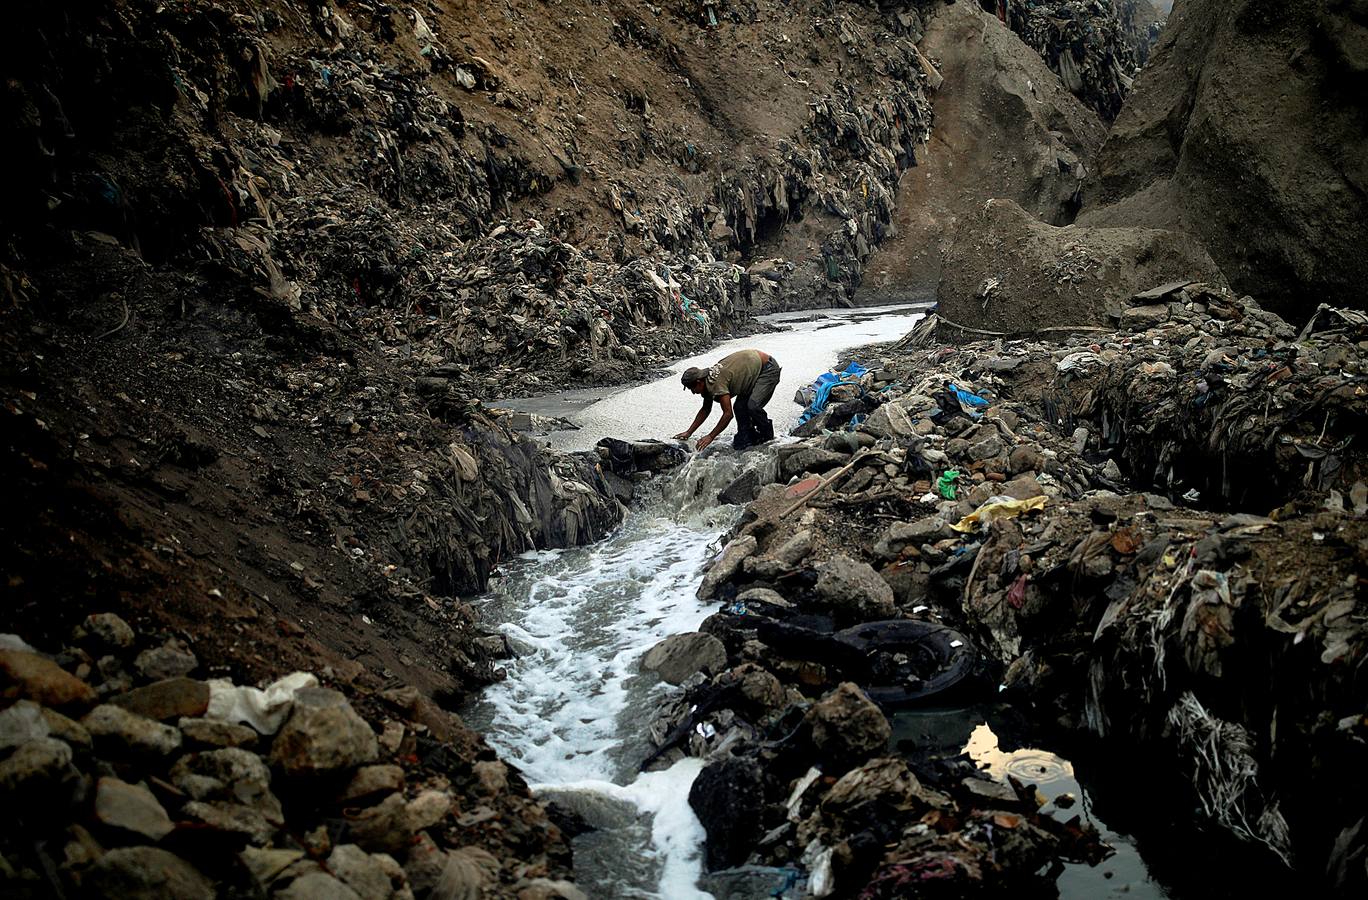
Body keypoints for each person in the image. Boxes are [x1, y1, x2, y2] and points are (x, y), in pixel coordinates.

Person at [673, 349, 782, 450]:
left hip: (767, 369)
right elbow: (705, 409)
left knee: (752, 406)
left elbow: (728, 414)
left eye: (692, 389)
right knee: (739, 409)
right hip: (751, 375)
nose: (693, 392)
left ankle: (768, 437)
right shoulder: (706, 382)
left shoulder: (715, 383)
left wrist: (711, 436)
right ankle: (750, 436)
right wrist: (689, 432)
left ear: (699, 382)